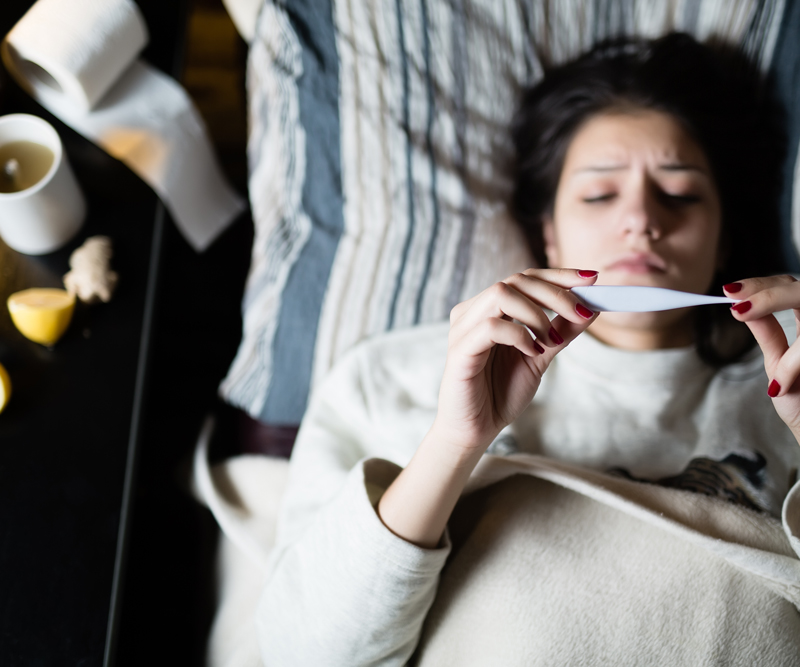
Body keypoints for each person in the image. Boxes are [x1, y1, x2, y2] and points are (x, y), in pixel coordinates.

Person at [255, 33, 800, 665]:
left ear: (724, 237)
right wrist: (455, 442)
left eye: (680, 194)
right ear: (549, 234)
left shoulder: (787, 387)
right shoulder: (389, 379)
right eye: (600, 194)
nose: (642, 220)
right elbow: (301, 652)